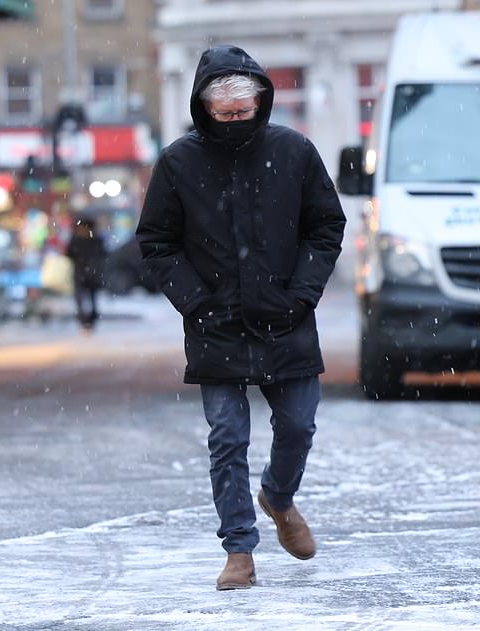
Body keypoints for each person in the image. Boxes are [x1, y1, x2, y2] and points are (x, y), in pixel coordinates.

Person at [136, 45, 346, 590]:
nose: (233, 122)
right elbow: (156, 242)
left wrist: (301, 295)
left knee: (298, 424)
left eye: (242, 112)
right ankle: (239, 551)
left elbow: (326, 226)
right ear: (204, 109)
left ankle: (278, 497)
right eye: (223, 114)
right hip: (216, 324)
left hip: (286, 315)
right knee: (227, 438)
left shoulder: (294, 152)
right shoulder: (178, 162)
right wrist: (197, 302)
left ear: (260, 103)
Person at [65, 217, 108, 330]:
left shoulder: (90, 239)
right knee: (83, 297)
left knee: (89, 297)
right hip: (84, 273)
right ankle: (84, 319)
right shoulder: (87, 239)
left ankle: (89, 319)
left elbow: (102, 254)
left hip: (88, 273)